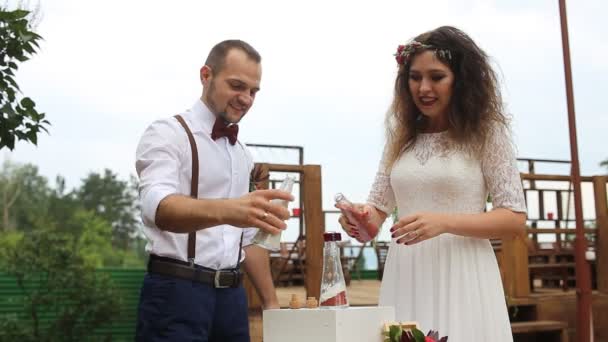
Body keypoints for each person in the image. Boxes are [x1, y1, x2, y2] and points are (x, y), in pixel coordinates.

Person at [338, 26, 526, 341]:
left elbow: (514, 219)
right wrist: (359, 218)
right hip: (406, 274)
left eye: (436, 77)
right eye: (415, 77)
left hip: (464, 274)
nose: (423, 87)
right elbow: (376, 214)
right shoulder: (401, 135)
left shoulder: (487, 133)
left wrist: (444, 222)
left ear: (460, 80)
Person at [134, 39, 293, 341]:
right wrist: (229, 210)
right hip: (175, 292)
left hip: (232, 299)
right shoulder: (168, 133)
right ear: (206, 75)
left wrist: (271, 303)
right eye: (237, 85)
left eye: (253, 91)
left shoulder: (241, 154)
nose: (245, 98)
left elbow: (247, 241)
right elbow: (158, 208)